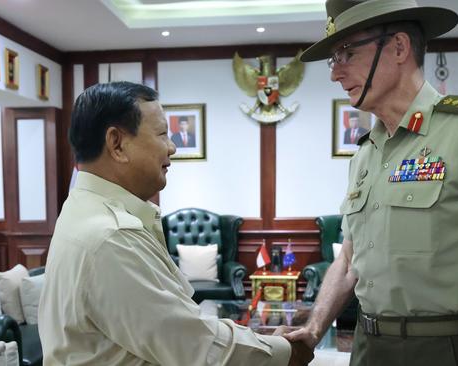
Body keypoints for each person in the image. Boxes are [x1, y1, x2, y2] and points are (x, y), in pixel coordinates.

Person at [284, 1, 458, 365]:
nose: (336, 73)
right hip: (368, 348)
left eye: (346, 53)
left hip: (446, 349)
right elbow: (350, 258)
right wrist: (315, 328)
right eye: (334, 59)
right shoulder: (366, 152)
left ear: (398, 47)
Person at [38, 81, 313, 366]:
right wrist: (284, 353)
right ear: (117, 144)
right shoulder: (112, 237)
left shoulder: (81, 209)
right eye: (161, 134)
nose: (172, 148)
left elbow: (177, 323)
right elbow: (194, 347)